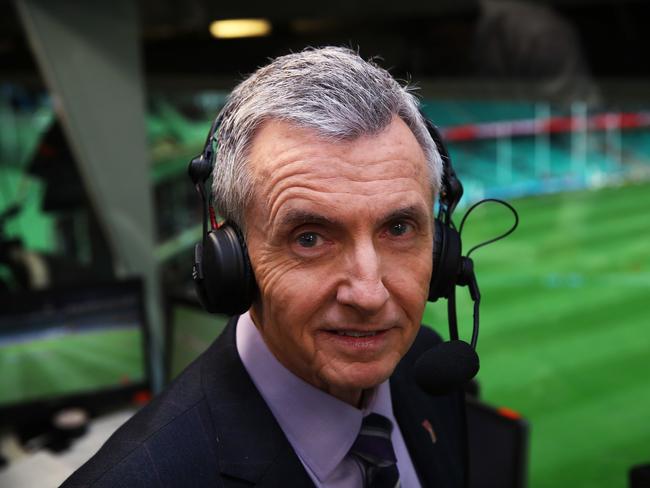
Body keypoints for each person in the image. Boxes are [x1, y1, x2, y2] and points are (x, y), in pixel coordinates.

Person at [62, 47, 466, 488]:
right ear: (232, 261)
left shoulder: (426, 370)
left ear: (441, 247)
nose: (368, 295)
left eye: (399, 228)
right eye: (309, 238)